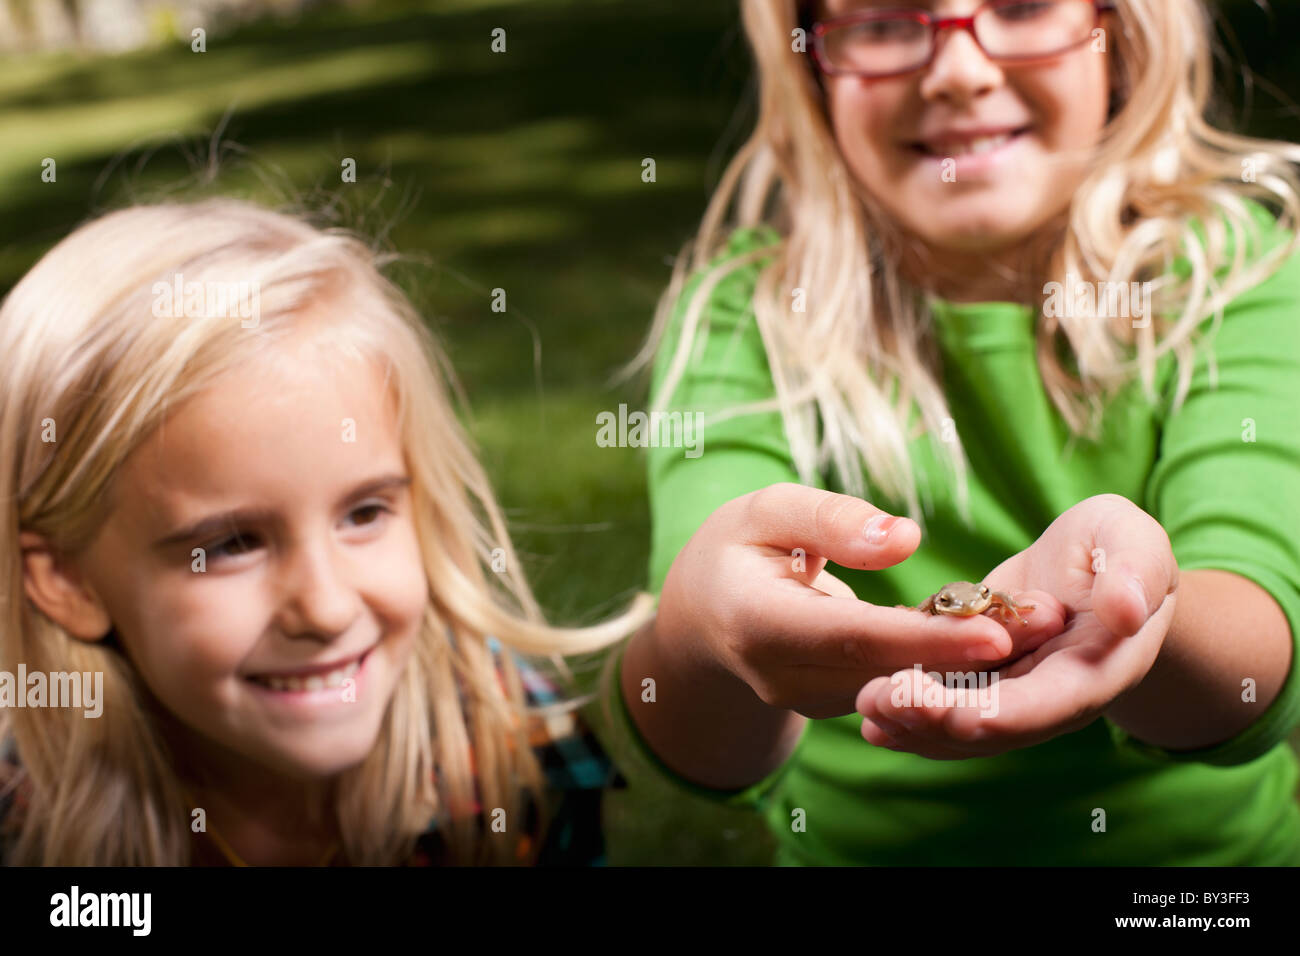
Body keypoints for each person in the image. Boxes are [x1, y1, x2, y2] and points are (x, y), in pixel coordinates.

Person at [608, 0, 1300, 865]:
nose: (960, 70)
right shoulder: (744, 315)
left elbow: (1254, 665)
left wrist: (1139, 610)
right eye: (886, 20)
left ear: (1116, 28)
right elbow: (691, 742)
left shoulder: (1235, 276)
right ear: (812, 61)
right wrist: (705, 631)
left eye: (1019, 6)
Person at [0, 198, 652, 865]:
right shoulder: (26, 819)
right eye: (232, 545)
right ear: (66, 579)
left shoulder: (512, 757)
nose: (328, 607)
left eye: (365, 513)